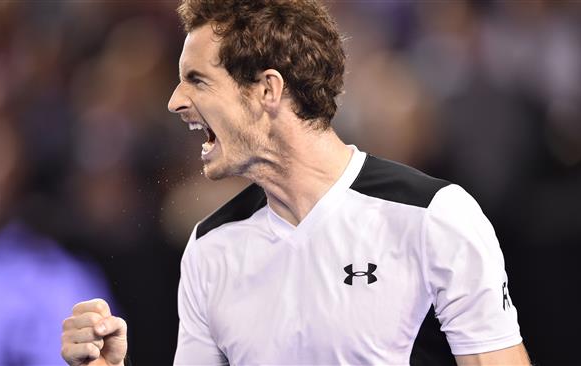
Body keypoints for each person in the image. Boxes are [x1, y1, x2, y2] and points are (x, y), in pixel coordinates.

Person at [60, 1, 531, 365]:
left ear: (268, 89)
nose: (175, 102)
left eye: (197, 81)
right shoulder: (209, 247)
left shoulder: (435, 217)